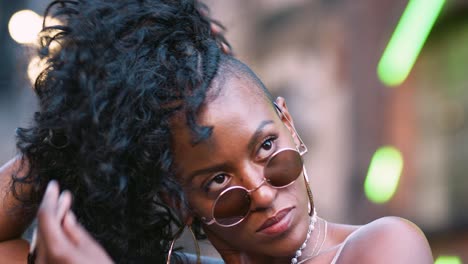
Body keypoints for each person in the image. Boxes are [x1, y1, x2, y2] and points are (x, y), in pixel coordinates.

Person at [0, 0, 434, 263]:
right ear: (178, 199)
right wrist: (68, 131)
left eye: (267, 147)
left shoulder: (382, 246)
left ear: (288, 123)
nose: (262, 193)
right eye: (220, 181)